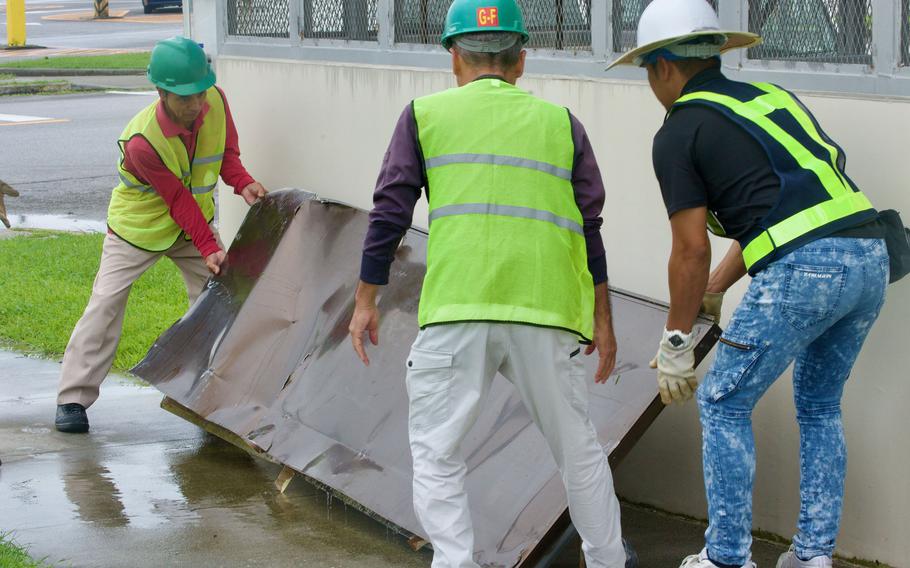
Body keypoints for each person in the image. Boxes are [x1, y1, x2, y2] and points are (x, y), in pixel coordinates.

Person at [346, 0, 638, 565]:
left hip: (458, 311)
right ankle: (608, 560)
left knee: (437, 454)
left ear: (454, 58)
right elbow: (588, 229)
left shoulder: (424, 116)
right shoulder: (562, 125)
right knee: (578, 451)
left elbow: (389, 212)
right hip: (547, 313)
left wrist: (366, 300)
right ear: (520, 61)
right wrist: (603, 320)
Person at [609, 1, 889, 567]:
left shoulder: (680, 131)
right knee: (818, 405)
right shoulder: (772, 100)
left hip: (804, 272)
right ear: (713, 53)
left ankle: (725, 558)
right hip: (870, 257)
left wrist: (675, 342)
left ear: (663, 66)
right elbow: (783, 212)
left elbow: (689, 248)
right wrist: (716, 288)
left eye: (646, 72)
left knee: (721, 401)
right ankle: (812, 557)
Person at [55, 36, 267, 434]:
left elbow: (226, 156)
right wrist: (208, 246)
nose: (195, 104)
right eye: (184, 97)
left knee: (219, 299)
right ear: (161, 92)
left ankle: (212, 393)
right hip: (138, 229)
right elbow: (176, 199)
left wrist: (243, 183)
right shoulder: (141, 142)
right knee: (105, 304)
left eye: (199, 93)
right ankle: (72, 398)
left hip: (192, 226)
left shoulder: (216, 101)